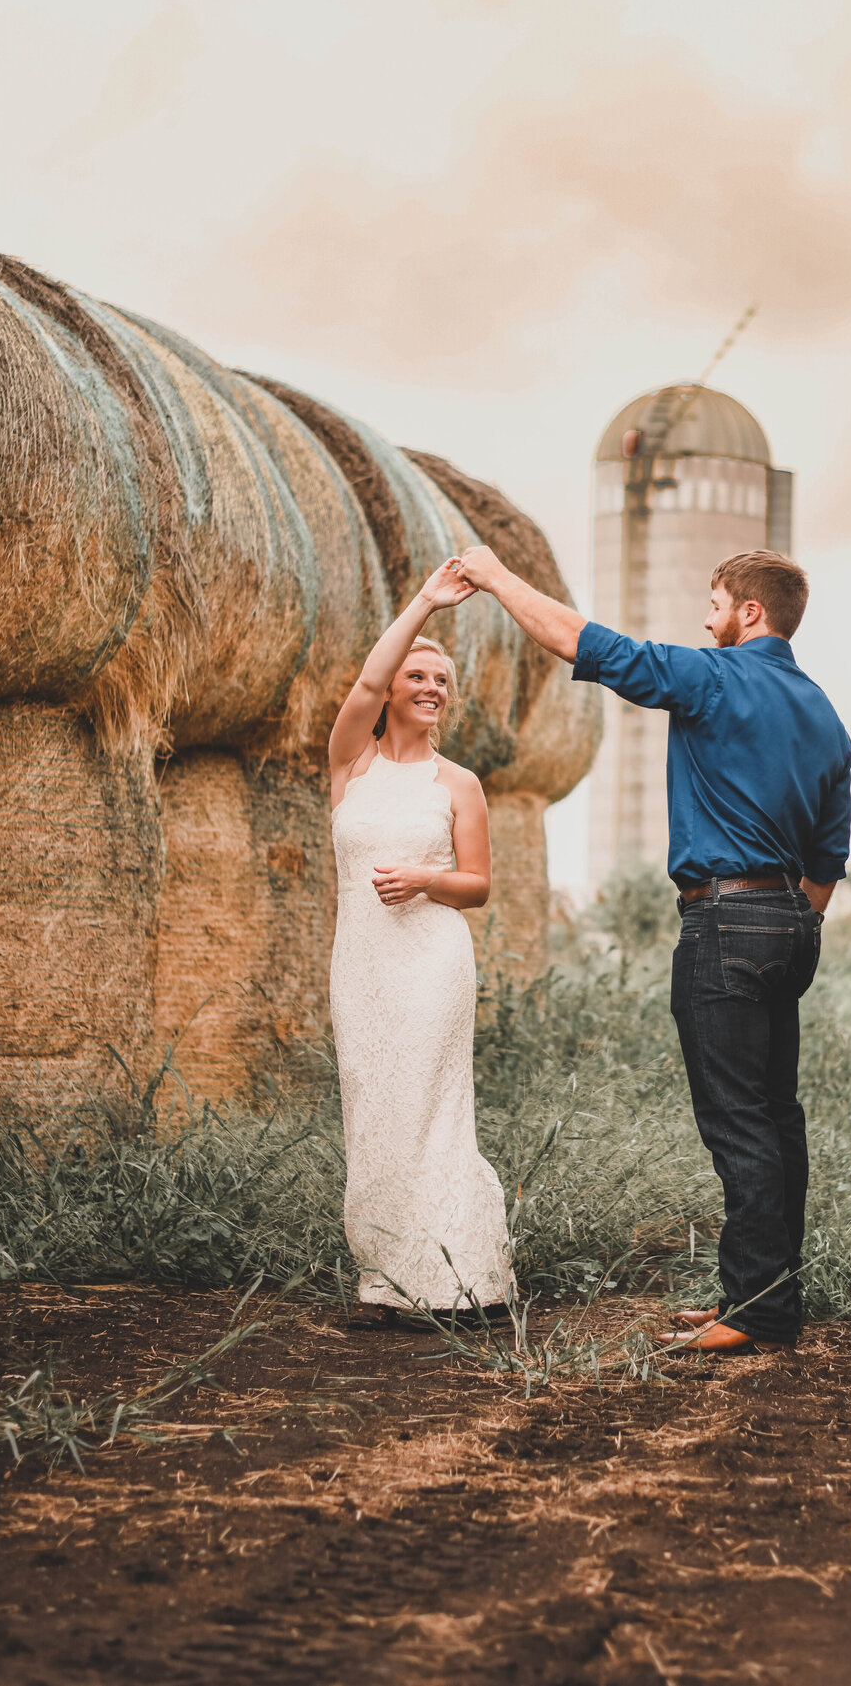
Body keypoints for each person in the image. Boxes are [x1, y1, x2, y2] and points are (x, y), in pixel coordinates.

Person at [453, 545, 851, 1355]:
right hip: (790, 922)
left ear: (750, 612)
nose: (705, 618)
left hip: (724, 918)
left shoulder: (713, 676)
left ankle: (758, 1312)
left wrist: (495, 577)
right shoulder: (825, 713)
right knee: (777, 1118)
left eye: (714, 602)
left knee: (738, 1122)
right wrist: (788, 922)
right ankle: (765, 1293)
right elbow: (828, 861)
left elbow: (587, 644)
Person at [327, 561, 514, 1326]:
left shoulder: (458, 782)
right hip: (361, 961)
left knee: (430, 1108)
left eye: (443, 677)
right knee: (371, 1106)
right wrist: (426, 605)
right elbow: (365, 684)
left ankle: (461, 1277)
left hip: (431, 960)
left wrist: (424, 878)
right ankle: (383, 1278)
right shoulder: (352, 762)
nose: (433, 686)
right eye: (419, 673)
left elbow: (478, 884)